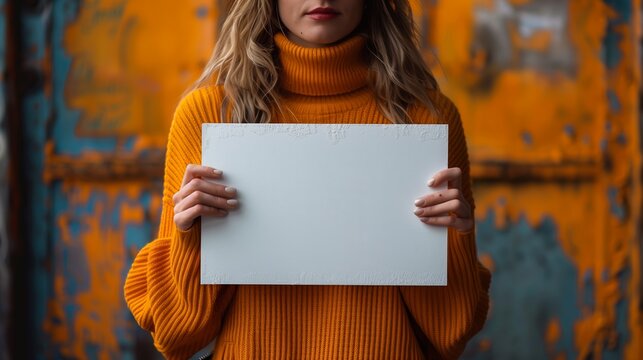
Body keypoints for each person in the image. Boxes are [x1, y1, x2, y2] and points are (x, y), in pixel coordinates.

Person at [125, 0, 491, 359]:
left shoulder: (428, 120)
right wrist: (191, 242)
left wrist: (455, 240)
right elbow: (175, 338)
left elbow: (451, 335)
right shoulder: (209, 115)